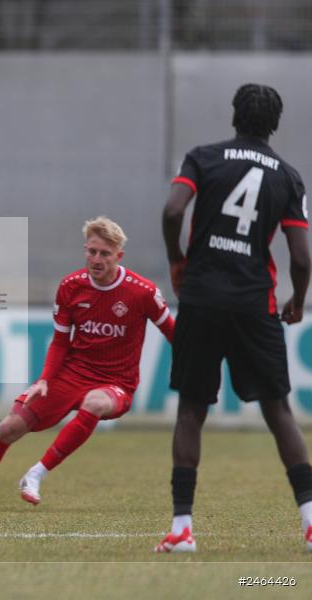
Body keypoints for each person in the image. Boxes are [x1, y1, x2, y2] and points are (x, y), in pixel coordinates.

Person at [157, 84, 312, 553]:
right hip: (253, 303)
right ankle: (310, 522)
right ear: (275, 123)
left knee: (191, 409)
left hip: (202, 296)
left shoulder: (202, 158)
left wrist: (177, 260)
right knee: (278, 410)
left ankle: (182, 529)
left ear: (234, 117)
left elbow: (171, 210)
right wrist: (298, 300)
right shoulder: (288, 176)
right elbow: (302, 257)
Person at [0, 216, 174, 510]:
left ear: (119, 256)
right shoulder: (71, 287)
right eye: (91, 251)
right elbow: (60, 342)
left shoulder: (142, 292)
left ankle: (35, 474)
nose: (96, 259)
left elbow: (174, 334)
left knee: (95, 403)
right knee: (9, 428)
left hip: (115, 383)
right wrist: (44, 379)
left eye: (105, 254)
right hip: (70, 376)